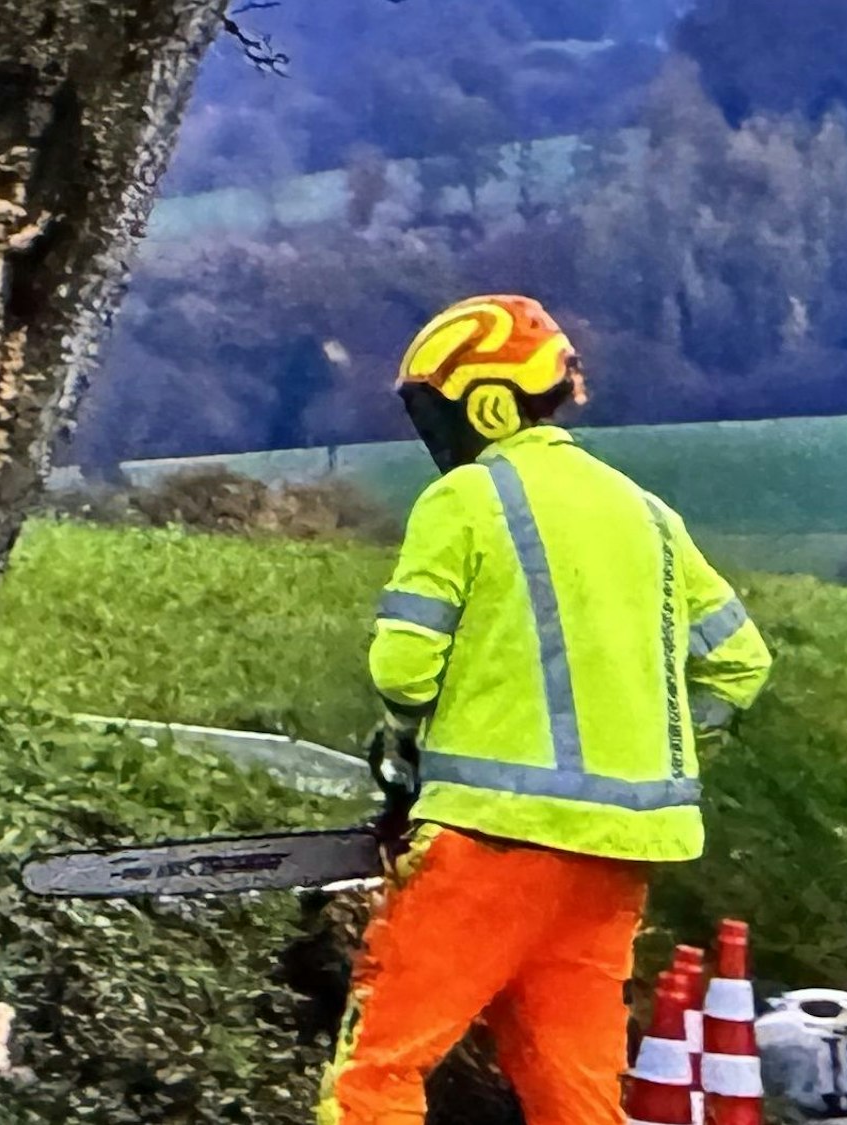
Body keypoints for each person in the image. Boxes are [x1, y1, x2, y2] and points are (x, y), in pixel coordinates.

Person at [314, 295, 775, 1125]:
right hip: (612, 858)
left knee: (376, 1071)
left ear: (485, 404)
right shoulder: (651, 516)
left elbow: (404, 666)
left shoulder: (465, 499)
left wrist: (408, 747)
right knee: (576, 1090)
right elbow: (742, 660)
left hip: (488, 842)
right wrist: (660, 737)